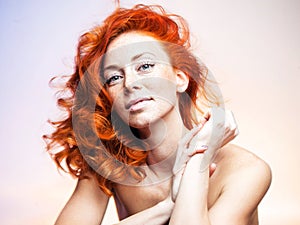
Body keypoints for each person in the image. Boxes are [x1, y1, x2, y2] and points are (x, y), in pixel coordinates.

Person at [44, 4, 272, 225]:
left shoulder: (246, 170)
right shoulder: (109, 162)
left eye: (145, 66)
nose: (130, 84)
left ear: (180, 79)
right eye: (114, 77)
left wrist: (197, 158)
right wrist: (168, 205)